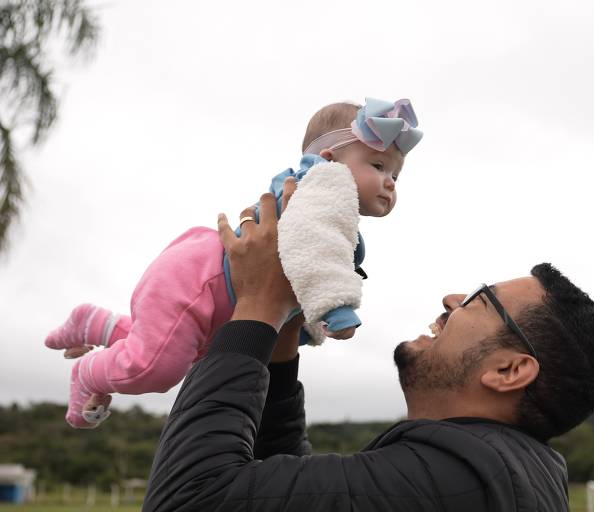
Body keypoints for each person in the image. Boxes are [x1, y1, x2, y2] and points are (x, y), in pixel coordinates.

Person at [141, 192, 594, 511]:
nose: (452, 299)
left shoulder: (459, 478)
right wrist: (286, 323)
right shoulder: (497, 472)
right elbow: (284, 486)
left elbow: (190, 498)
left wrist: (257, 305)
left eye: (481, 299)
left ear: (510, 369)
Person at [44, 98, 423, 428]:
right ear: (328, 160)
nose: (389, 182)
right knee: (156, 368)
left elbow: (307, 270)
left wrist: (305, 325)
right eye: (377, 166)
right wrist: (336, 310)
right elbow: (317, 252)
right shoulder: (316, 188)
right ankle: (88, 374)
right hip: (196, 281)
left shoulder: (340, 223)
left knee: (170, 347)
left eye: (395, 174)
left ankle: (92, 322)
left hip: (212, 291)